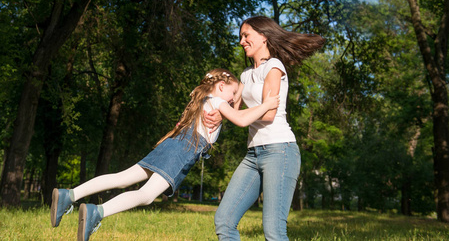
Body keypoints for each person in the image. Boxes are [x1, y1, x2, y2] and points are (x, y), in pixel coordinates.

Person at [50, 68, 280, 241]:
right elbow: (240, 119)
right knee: (147, 195)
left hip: (174, 144)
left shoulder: (206, 98)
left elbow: (235, 105)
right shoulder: (220, 101)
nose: (233, 99)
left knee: (122, 177)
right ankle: (97, 212)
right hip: (184, 149)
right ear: (220, 87)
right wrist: (268, 103)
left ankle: (69, 194)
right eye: (232, 93)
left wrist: (234, 88)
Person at [209, 16, 325, 240]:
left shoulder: (274, 67)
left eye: (246, 35)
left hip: (279, 151)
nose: (242, 41)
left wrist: (232, 114)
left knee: (273, 231)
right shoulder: (245, 75)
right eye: (240, 37)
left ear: (263, 36)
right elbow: (232, 108)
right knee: (224, 221)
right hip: (253, 154)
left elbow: (269, 113)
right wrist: (214, 114)